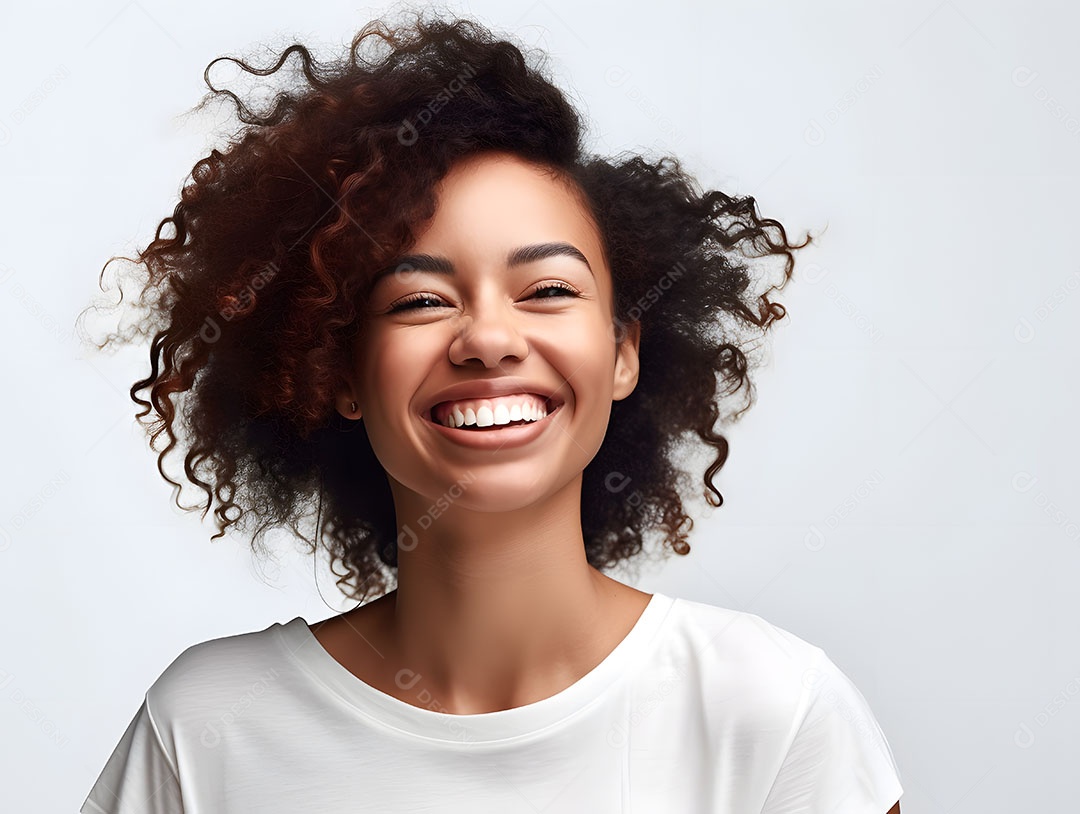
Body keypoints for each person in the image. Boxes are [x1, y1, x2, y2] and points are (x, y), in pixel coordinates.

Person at [78, 9, 903, 813]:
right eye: (420, 300)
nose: (489, 338)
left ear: (623, 351)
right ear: (338, 371)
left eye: (547, 290)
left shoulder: (775, 715)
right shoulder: (205, 731)